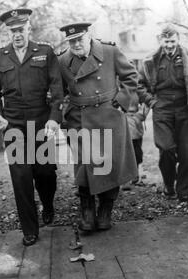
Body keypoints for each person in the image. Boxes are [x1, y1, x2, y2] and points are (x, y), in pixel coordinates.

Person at [0, 9, 64, 246]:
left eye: (21, 29)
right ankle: (30, 229)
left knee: (45, 172)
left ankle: (48, 204)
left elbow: (57, 88)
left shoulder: (45, 52)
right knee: (20, 176)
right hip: (13, 124)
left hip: (41, 122)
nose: (17, 34)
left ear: (29, 28)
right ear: (8, 32)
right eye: (12, 30)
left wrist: (54, 117)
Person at [58, 22, 138, 232]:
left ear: (89, 36)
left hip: (109, 115)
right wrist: (62, 109)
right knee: (84, 166)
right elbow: (57, 90)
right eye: (71, 41)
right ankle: (87, 211)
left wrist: (121, 101)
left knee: (110, 164)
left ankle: (105, 209)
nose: (76, 44)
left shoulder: (110, 52)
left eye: (79, 39)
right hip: (79, 119)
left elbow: (131, 77)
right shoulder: (63, 61)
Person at [138, 25, 188, 203]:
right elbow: (139, 85)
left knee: (186, 154)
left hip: (184, 108)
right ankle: (169, 184)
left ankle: (183, 192)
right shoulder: (150, 61)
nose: (169, 45)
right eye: (166, 41)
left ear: (178, 40)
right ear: (160, 41)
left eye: (172, 41)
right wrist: (152, 102)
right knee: (166, 149)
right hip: (162, 109)